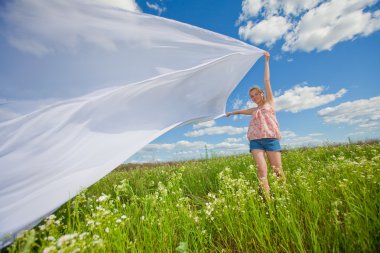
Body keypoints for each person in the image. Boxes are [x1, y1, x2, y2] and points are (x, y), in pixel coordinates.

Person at [226, 51, 285, 196]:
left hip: (270, 140)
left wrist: (266, 61)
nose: (254, 97)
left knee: (277, 169)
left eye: (256, 94)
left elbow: (267, 81)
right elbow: (241, 111)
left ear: (262, 93)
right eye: (252, 96)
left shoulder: (270, 103)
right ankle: (268, 201)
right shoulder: (254, 110)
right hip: (255, 141)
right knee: (261, 170)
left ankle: (285, 195)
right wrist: (230, 113)